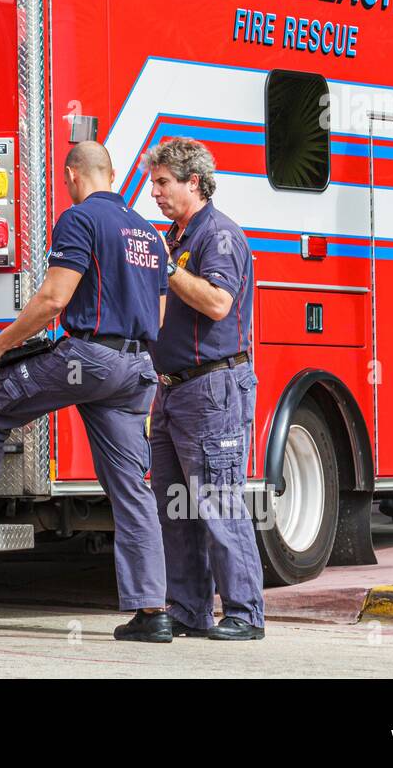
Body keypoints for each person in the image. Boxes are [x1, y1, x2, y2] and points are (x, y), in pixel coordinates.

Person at [0, 141, 173, 642]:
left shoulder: (80, 219)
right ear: (112, 174)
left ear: (73, 175)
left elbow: (53, 298)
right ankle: (153, 612)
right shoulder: (150, 234)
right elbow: (158, 317)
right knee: (132, 490)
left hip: (90, 360)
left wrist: (0, 345)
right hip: (136, 369)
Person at [147, 137, 265, 641]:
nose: (155, 192)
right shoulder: (175, 237)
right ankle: (190, 609)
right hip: (173, 389)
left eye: (163, 182)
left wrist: (169, 268)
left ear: (193, 182)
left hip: (212, 387)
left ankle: (245, 612)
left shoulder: (218, 237)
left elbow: (217, 303)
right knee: (175, 506)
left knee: (218, 501)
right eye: (154, 182)